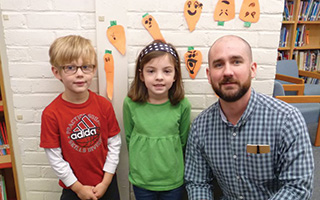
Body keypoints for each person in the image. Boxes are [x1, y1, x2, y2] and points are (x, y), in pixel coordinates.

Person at [184, 35, 314, 200]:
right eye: (218, 64)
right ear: (209, 75)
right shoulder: (200, 127)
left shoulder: (287, 119)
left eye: (236, 62)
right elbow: (197, 182)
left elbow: (297, 187)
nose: (228, 72)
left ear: (252, 69)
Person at [40, 35, 121, 200]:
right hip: (73, 189)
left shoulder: (104, 105)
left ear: (94, 69)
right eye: (70, 68)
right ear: (57, 72)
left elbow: (114, 144)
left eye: (85, 67)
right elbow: (55, 158)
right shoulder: (51, 114)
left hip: (107, 183)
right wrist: (78, 188)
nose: (79, 74)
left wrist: (105, 182)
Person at [123, 40, 191, 200]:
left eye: (167, 71)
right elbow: (128, 137)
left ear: (175, 75)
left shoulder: (182, 105)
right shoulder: (130, 104)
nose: (159, 77)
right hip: (142, 181)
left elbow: (183, 141)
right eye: (151, 71)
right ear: (141, 75)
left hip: (173, 181)